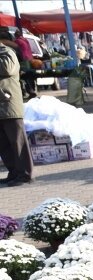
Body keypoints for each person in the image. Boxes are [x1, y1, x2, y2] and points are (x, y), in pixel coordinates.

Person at [0, 37, 33, 187]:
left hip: (9, 105)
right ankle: (14, 172)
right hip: (1, 108)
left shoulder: (7, 52)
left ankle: (25, 174)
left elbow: (7, 68)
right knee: (4, 144)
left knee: (17, 142)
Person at [13, 31, 35, 99]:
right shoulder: (25, 40)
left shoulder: (17, 41)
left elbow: (17, 50)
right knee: (30, 75)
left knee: (25, 76)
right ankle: (32, 90)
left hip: (24, 59)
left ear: (16, 35)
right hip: (30, 59)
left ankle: (30, 91)